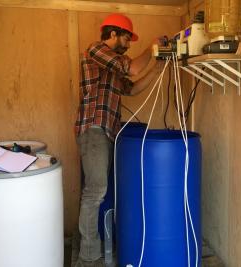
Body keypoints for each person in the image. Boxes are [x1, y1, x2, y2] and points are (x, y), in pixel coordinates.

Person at [73, 13, 162, 267]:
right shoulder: (96, 50)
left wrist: (157, 66)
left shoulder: (112, 66)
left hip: (107, 132)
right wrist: (152, 48)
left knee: (97, 191)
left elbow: (131, 88)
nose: (129, 43)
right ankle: (88, 258)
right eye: (126, 37)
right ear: (112, 34)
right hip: (93, 129)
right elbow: (131, 67)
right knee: (95, 192)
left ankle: (90, 252)